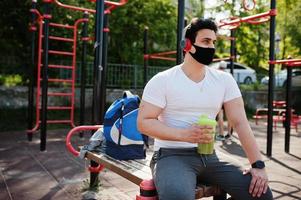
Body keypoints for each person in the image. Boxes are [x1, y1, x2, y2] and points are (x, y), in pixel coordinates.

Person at [137, 18, 273, 200]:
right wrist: (184, 135)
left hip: (210, 155)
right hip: (171, 156)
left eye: (214, 42)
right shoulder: (163, 80)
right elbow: (143, 122)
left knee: (261, 194)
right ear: (187, 44)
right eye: (206, 41)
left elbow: (240, 122)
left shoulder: (224, 80)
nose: (211, 48)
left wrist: (258, 165)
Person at [216, 61, 233, 141]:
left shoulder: (217, 75)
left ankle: (221, 134)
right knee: (229, 116)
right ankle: (229, 133)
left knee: (220, 116)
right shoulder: (228, 75)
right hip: (228, 97)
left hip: (220, 97)